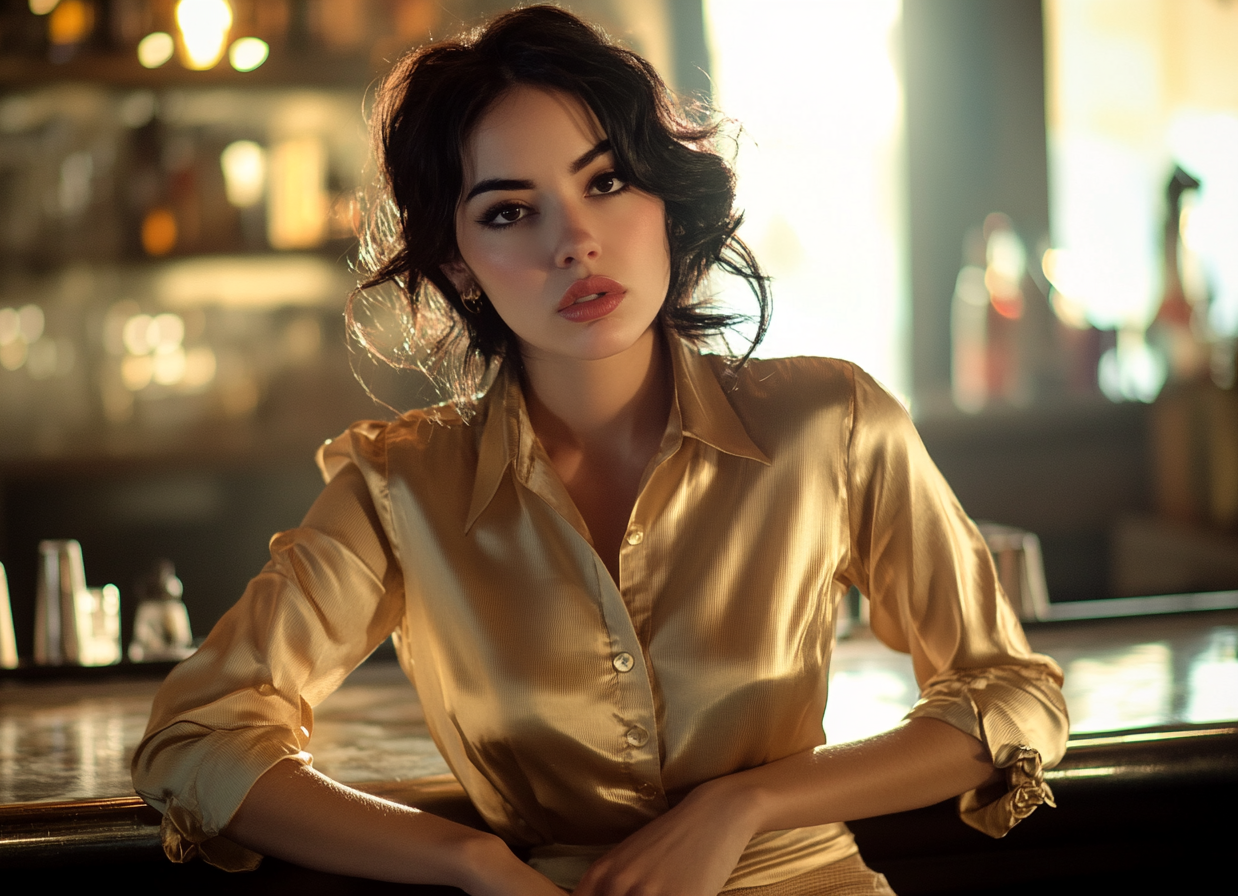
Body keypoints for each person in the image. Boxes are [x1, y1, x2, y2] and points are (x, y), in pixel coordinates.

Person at [132, 7, 1069, 895]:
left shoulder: (833, 421)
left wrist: (743, 804)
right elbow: (200, 735)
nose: (575, 242)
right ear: (457, 262)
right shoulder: (397, 486)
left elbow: (1010, 693)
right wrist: (472, 862)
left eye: (607, 181)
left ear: (663, 196)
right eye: (508, 212)